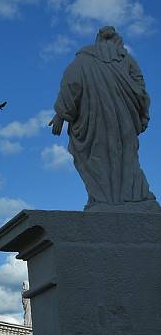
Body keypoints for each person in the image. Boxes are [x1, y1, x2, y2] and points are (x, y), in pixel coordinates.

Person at [49, 25, 159, 211]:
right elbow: (140, 90)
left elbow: (71, 85)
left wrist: (62, 114)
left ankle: (106, 200)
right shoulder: (126, 60)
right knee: (126, 157)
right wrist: (142, 115)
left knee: (97, 157)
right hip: (124, 121)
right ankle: (129, 198)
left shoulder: (83, 61)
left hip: (95, 124)